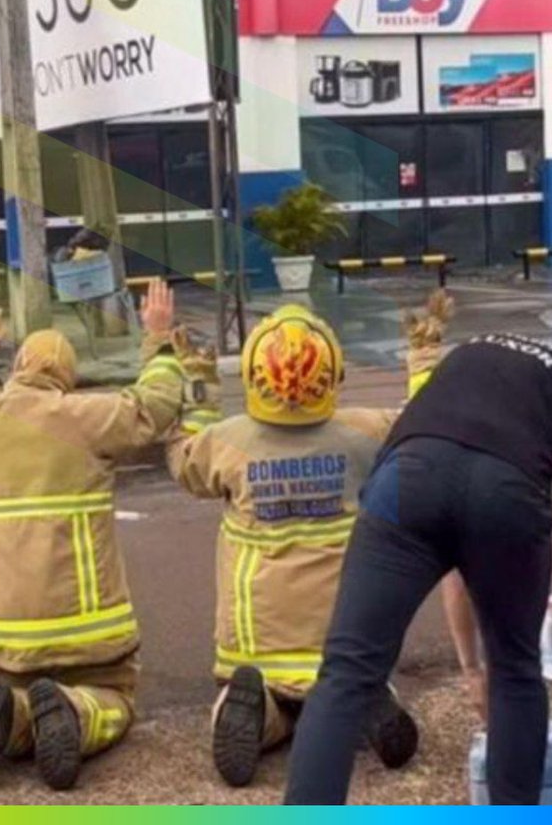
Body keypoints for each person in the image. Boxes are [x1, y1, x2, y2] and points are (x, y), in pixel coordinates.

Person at [285, 334, 552, 806]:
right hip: (505, 495)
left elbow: (458, 553)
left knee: (346, 674)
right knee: (515, 671)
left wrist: (471, 668)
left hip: (405, 478)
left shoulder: (481, 358)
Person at [166, 294, 451, 787]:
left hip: (256, 640)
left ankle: (259, 714)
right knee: (345, 691)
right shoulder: (363, 432)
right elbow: (425, 423)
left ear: (254, 375)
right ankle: (366, 702)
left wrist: (198, 381)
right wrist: (424, 354)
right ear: (332, 374)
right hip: (341, 637)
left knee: (254, 699)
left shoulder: (228, 441)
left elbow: (184, 460)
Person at [0, 279, 184, 793]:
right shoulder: (85, 418)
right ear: (67, 379)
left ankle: (14, 716)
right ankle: (76, 711)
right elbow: (156, 403)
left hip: (3, 636)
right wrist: (158, 337)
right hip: (86, 633)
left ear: (18, 369)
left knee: (21, 695)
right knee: (114, 699)